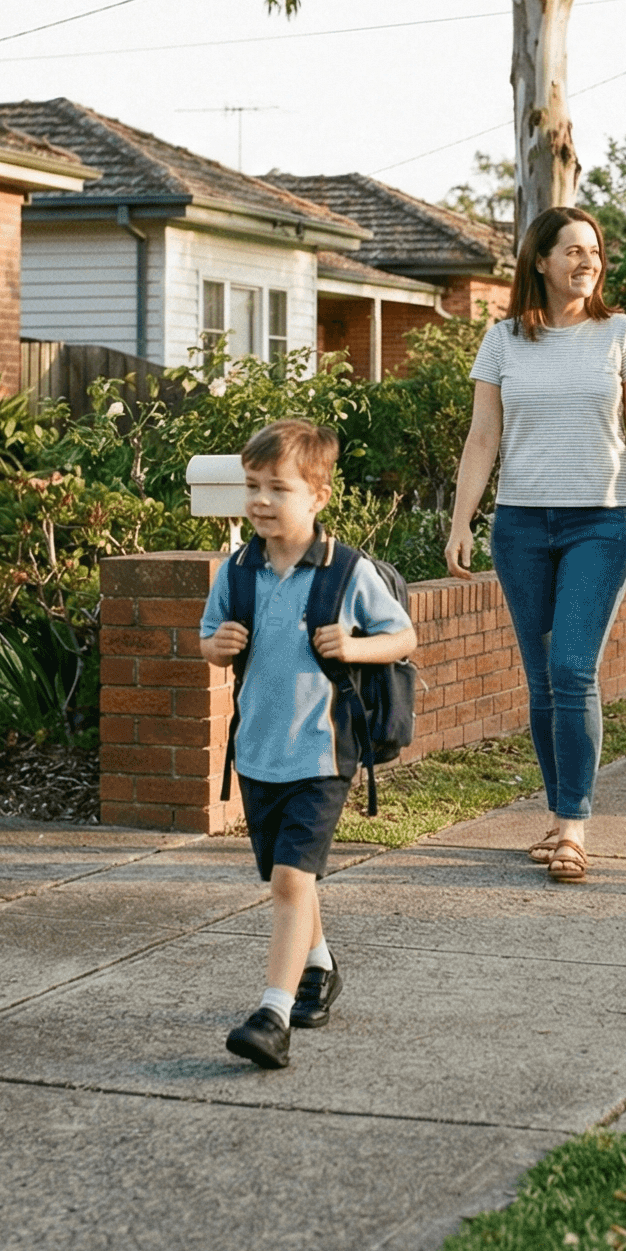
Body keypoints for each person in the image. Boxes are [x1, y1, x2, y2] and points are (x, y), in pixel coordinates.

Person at [445, 206, 626, 885]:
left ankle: (574, 825)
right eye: (571, 250)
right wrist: (462, 520)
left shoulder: (622, 335)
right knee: (542, 681)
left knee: (573, 668)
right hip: (520, 526)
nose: (587, 261)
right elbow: (482, 437)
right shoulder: (504, 340)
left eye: (594, 251)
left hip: (599, 523)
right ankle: (557, 816)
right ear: (539, 261)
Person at [200, 418, 416, 1068]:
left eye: (278, 488)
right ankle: (319, 964)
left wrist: (355, 645)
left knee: (292, 880)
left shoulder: (346, 572)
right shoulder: (237, 571)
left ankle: (272, 1012)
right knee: (289, 878)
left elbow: (402, 637)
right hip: (259, 754)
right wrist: (217, 647)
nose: (261, 500)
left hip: (322, 756)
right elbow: (207, 639)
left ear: (318, 495)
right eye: (253, 486)